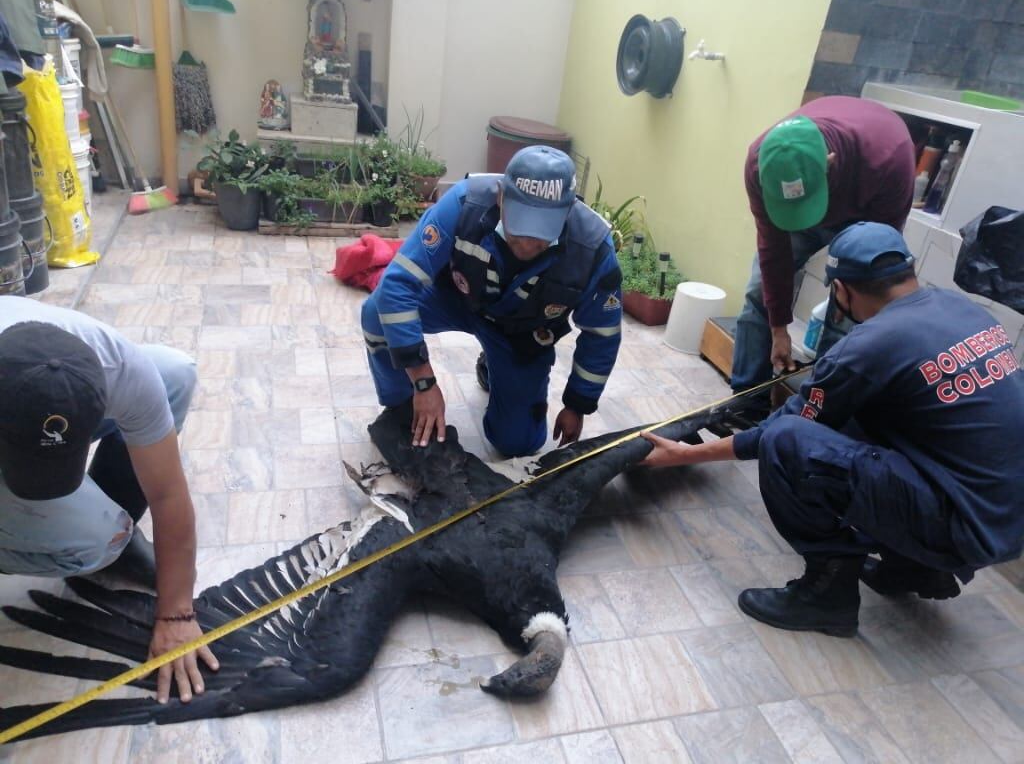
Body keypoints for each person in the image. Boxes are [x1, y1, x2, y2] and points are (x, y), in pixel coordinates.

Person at [641, 222, 1024, 637]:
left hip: (963, 525)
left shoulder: (868, 345)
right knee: (870, 418)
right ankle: (914, 568)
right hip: (1007, 520)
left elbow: (781, 429)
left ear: (842, 289)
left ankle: (827, 595)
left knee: (788, 442)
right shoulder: (962, 309)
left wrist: (685, 455)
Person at [0, 298, 218, 702]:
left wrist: (176, 613)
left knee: (173, 372)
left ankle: (98, 508)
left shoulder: (120, 369)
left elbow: (168, 494)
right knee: (93, 544)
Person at [361, 145, 623, 457]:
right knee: (377, 311)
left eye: (541, 231)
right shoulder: (464, 202)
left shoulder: (593, 249)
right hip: (457, 298)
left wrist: (577, 403)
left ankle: (494, 366)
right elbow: (398, 285)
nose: (527, 242)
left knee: (518, 444)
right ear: (500, 196)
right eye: (520, 224)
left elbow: (602, 335)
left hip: (521, 331)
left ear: (568, 211)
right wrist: (423, 383)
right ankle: (402, 408)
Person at [732, 96, 916, 417]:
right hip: (814, 196)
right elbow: (773, 251)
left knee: (848, 313)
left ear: (829, 162)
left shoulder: (888, 160)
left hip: (863, 209)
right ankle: (745, 401)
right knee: (760, 290)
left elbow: (874, 268)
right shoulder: (761, 162)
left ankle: (823, 407)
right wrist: (778, 329)